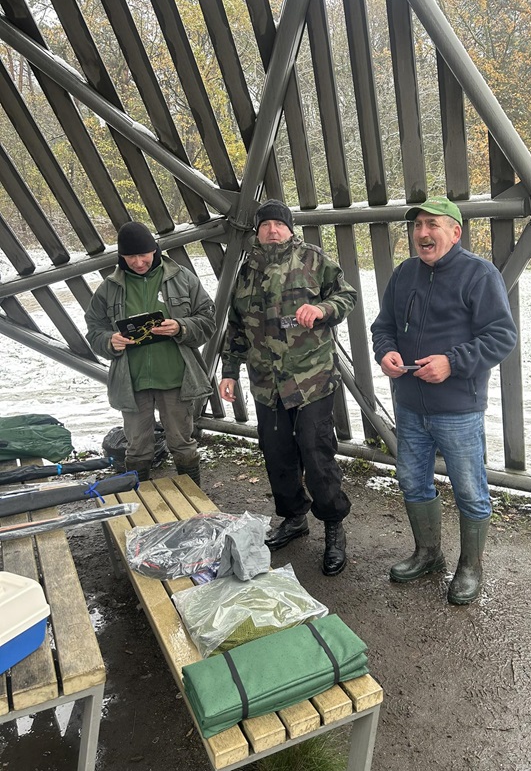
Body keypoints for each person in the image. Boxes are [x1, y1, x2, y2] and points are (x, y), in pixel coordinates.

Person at [371, 197, 517, 604]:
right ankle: (428, 554)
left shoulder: (479, 274)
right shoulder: (404, 274)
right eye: (417, 225)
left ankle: (470, 566)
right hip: (409, 404)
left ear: (455, 232)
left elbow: (501, 336)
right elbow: (383, 326)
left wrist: (452, 363)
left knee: (469, 489)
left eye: (432, 224)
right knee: (412, 480)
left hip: (458, 409)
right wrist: (385, 352)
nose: (422, 233)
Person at [219, 199, 357, 576]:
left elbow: (346, 296)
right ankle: (294, 518)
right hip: (267, 384)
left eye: (279, 224)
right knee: (277, 454)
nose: (272, 230)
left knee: (316, 452)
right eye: (265, 225)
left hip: (311, 379)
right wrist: (229, 371)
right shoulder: (246, 271)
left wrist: (323, 310)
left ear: (290, 229)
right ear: (258, 232)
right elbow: (236, 326)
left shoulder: (313, 259)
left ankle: (333, 525)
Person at [85, 221, 215, 485]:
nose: (138, 262)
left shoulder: (183, 278)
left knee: (182, 444)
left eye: (143, 254)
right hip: (132, 381)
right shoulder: (109, 287)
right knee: (137, 448)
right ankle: (140, 499)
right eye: (130, 256)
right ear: (121, 256)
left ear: (155, 249)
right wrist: (110, 341)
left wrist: (181, 326)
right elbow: (94, 329)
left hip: (176, 379)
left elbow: (208, 321)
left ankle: (193, 497)